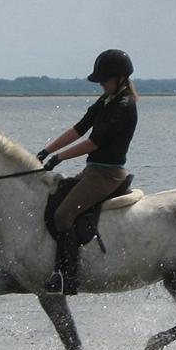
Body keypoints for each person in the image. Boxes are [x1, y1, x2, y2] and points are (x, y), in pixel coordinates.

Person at [36, 49, 138, 295]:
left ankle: (68, 277)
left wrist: (58, 158)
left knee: (62, 216)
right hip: (93, 172)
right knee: (53, 201)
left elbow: (94, 143)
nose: (101, 83)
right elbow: (79, 129)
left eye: (105, 79)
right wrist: (45, 150)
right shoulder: (106, 101)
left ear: (121, 78)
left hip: (107, 175)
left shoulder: (124, 105)